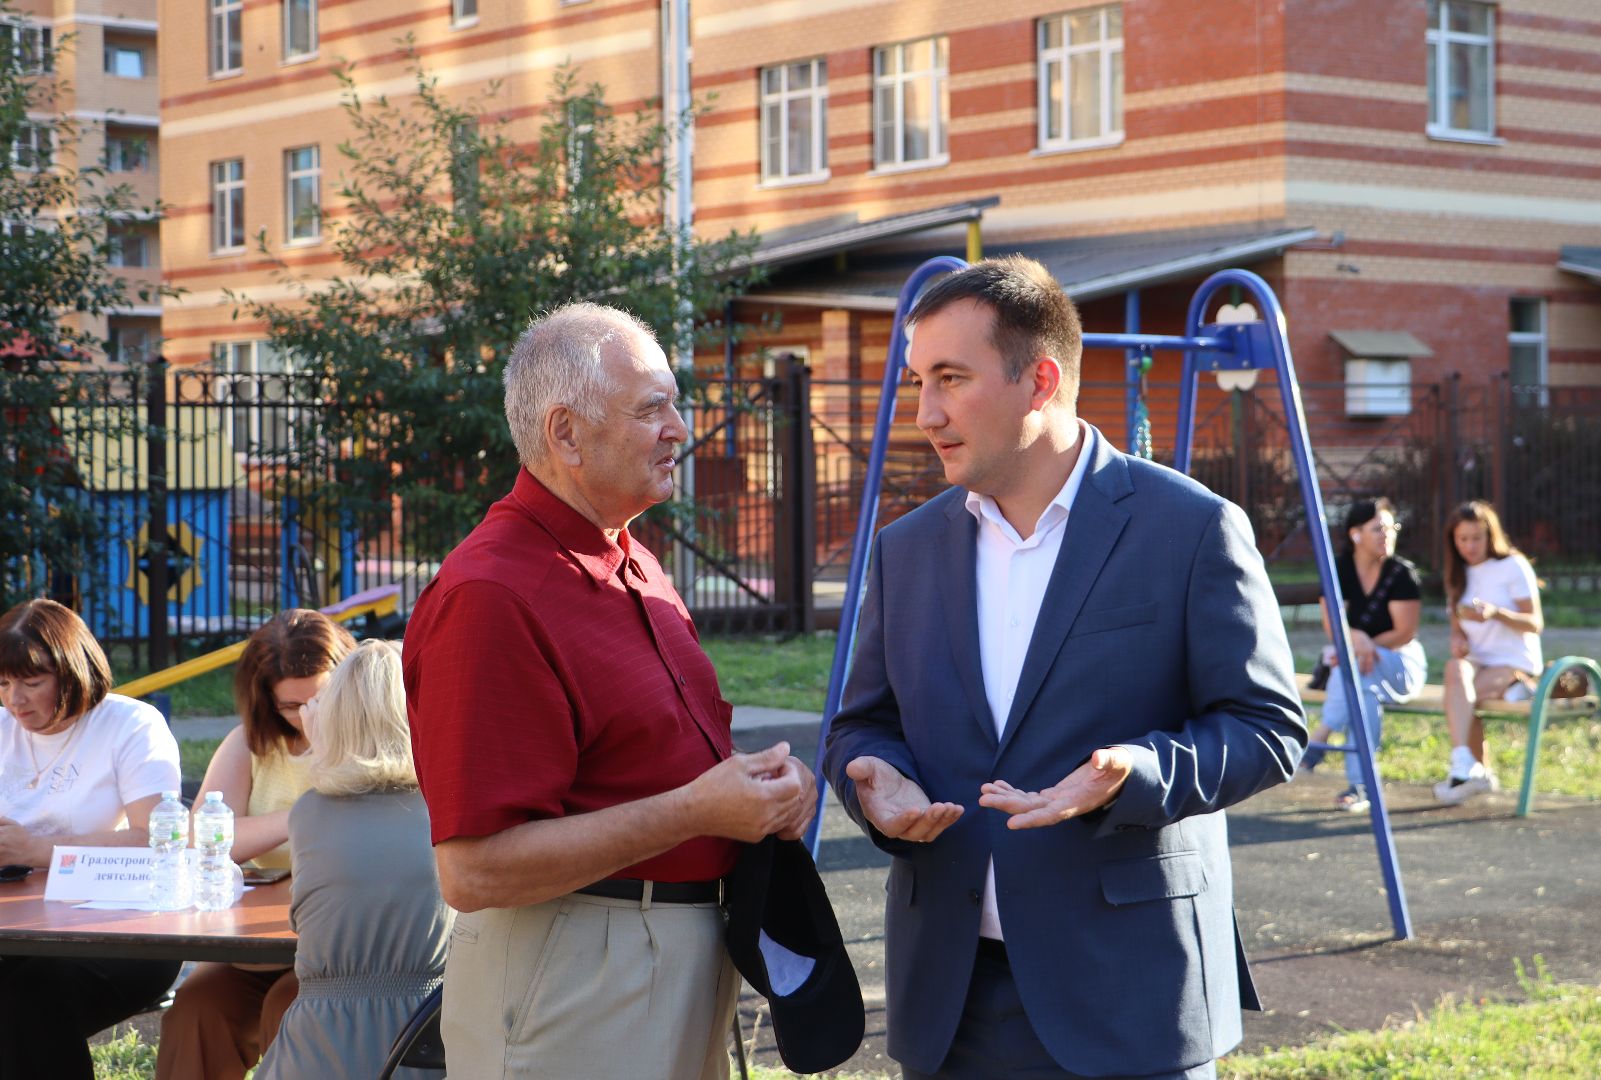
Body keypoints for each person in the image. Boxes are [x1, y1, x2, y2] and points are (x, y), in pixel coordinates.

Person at [822, 257, 1307, 1080]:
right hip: (950, 997)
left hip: (1131, 993)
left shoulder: (1190, 527)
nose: (925, 413)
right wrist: (875, 778)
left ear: (1040, 379)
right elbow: (862, 724)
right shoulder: (905, 549)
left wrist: (1141, 770)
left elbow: (1268, 727)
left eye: (949, 378)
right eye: (916, 382)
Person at [403, 302, 818, 1080]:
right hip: (575, 971)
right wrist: (698, 810)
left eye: (675, 401)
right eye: (651, 407)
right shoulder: (492, 593)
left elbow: (650, 763)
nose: (680, 427)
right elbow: (474, 869)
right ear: (566, 434)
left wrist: (757, 790)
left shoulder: (630, 559)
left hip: (665, 954)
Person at [157, 609, 356, 1080]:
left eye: (322, 699)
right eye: (292, 706)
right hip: (260, 944)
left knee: (292, 1007)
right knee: (196, 1009)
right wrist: (301, 815)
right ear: (266, 701)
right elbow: (202, 838)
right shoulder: (252, 742)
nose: (310, 717)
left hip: (340, 947)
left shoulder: (377, 743)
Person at [0, 598, 183, 1080]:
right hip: (15, 924)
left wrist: (36, 850)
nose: (15, 699)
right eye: (2, 683)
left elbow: (159, 841)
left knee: (27, 999)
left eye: (32, 682)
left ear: (72, 672)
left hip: (119, 929)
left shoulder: (131, 725)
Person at [255, 639, 451, 1080]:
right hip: (428, 1038)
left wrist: (318, 742)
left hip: (318, 1046)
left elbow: (304, 923)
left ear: (333, 717)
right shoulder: (447, 807)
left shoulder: (310, 813)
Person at [1297, 498, 1426, 812]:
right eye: (1378, 529)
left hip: (1401, 664)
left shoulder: (1402, 573)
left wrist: (1366, 644)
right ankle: (1361, 787)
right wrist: (1359, 642)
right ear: (1356, 534)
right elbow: (1333, 626)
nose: (1388, 535)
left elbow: (1404, 632)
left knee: (1356, 669)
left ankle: (1320, 738)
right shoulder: (1337, 570)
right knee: (1363, 691)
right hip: (1358, 667)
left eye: (1391, 528)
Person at [1433, 500, 1544, 804]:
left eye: (1476, 538)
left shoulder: (1512, 565)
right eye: (1462, 539)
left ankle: (1472, 772)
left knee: (1463, 701)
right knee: (1454, 671)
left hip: (1512, 661)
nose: (1469, 546)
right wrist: (1458, 639)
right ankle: (1465, 763)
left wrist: (1496, 613)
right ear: (1453, 540)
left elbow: (1535, 623)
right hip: (1477, 661)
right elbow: (1456, 623)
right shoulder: (1458, 572)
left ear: (1490, 535)